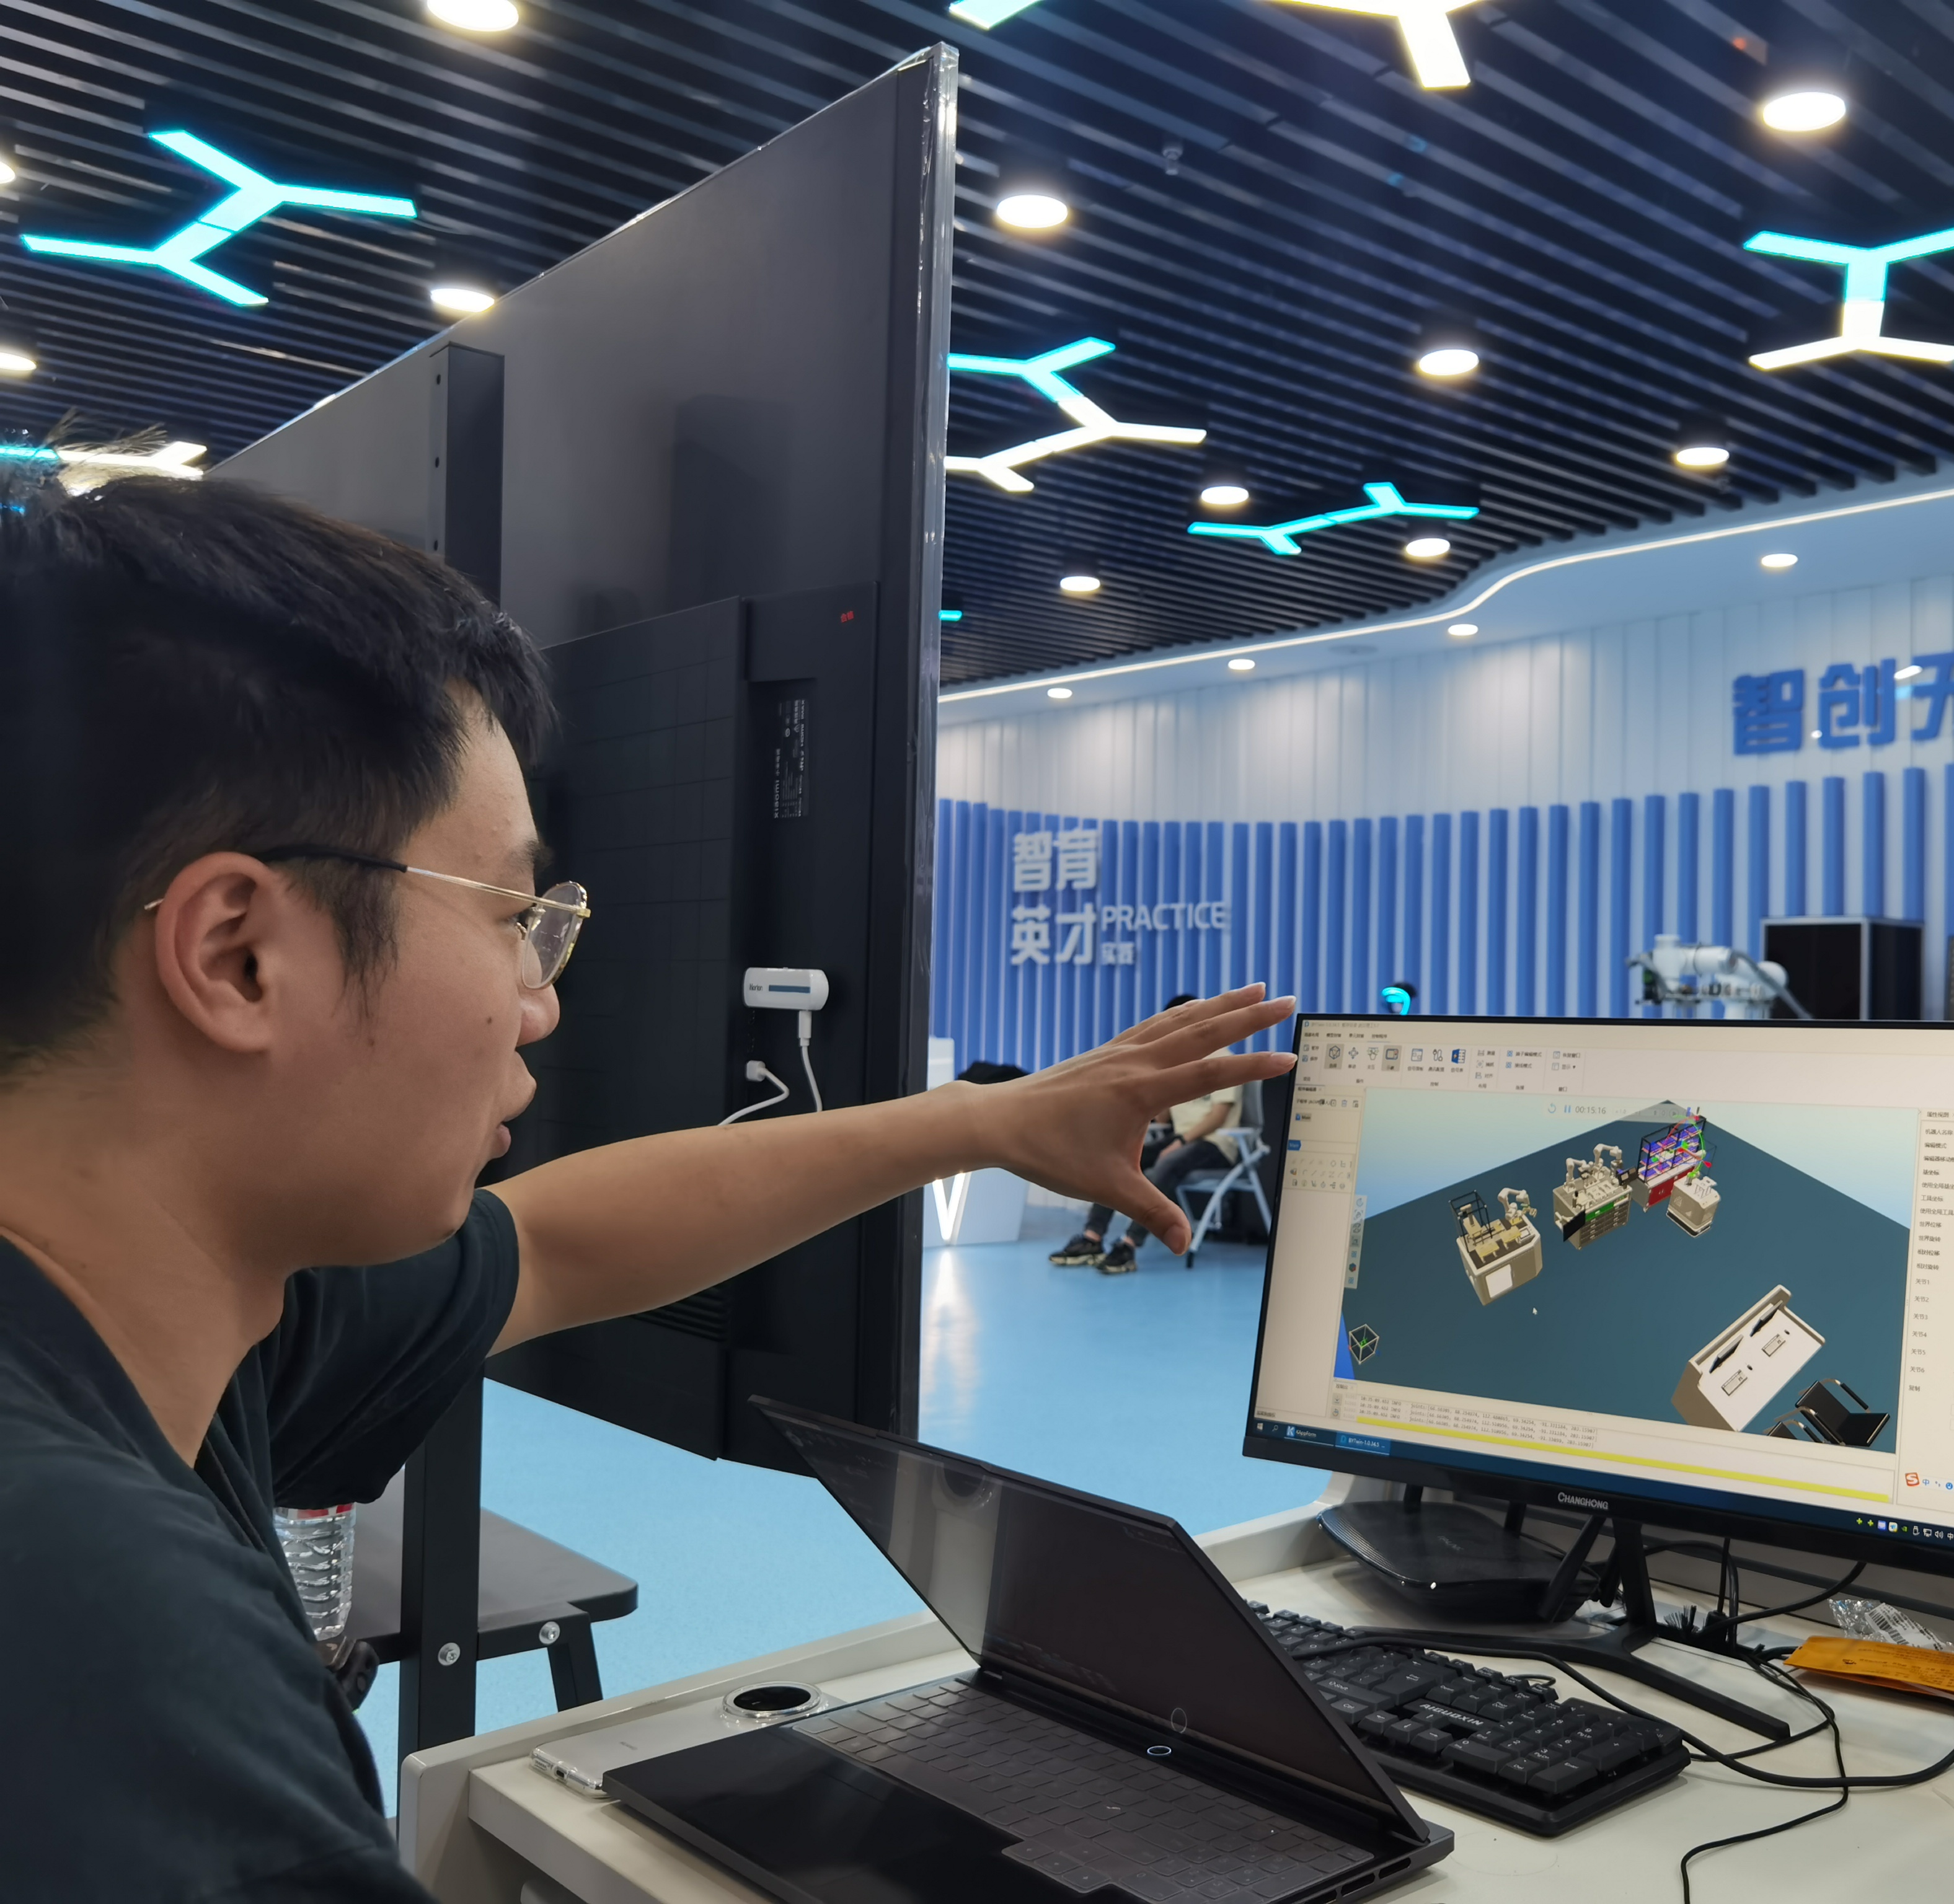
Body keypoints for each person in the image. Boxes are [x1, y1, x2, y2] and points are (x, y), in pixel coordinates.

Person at [0, 470, 1294, 1902]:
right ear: (239, 955)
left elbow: (557, 1244)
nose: (537, 998)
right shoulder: (98, 1634)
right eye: (512, 914)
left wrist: (983, 1120)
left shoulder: (156, 1326)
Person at [1048, 994, 1250, 1273]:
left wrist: (1181, 1141)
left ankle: (1129, 1245)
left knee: (1166, 1164)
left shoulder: (1223, 1060)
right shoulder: (1180, 1063)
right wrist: (1159, 1085)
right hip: (1181, 1139)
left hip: (1216, 1144)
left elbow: (1218, 1117)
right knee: (1117, 1161)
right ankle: (1092, 1238)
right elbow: (1163, 1118)